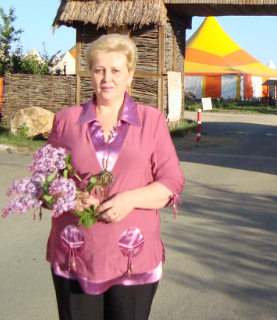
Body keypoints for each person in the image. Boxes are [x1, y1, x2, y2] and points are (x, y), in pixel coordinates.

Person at [45, 34, 185, 320]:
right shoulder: (66, 121)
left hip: (133, 255)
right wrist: (69, 199)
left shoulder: (152, 121)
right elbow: (42, 183)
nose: (107, 78)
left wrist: (129, 199)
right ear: (90, 73)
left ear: (130, 75)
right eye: (99, 70)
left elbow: (172, 181)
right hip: (77, 254)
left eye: (116, 70)